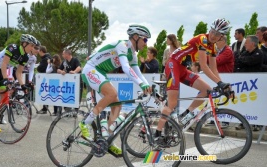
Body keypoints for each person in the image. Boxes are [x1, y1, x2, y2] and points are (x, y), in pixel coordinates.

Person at [155, 18, 231, 144]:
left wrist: (224, 85)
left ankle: (186, 115)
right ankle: (157, 133)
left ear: (221, 37)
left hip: (183, 69)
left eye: (217, 34)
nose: (213, 35)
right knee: (172, 103)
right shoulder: (203, 39)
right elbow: (204, 66)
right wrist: (219, 83)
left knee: (207, 90)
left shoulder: (213, 47)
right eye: (212, 31)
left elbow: (214, 69)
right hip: (173, 64)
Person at [79, 24, 152, 156]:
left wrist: (147, 85)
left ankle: (108, 141)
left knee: (117, 105)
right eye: (145, 40)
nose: (146, 44)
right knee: (112, 93)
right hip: (91, 69)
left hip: (101, 72)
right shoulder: (122, 45)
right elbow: (125, 68)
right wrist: (142, 84)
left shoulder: (133, 55)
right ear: (135, 37)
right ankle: (85, 123)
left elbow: (138, 73)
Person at [36, 45, 52, 114]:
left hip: (46, 78)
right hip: (47, 78)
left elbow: (40, 68)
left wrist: (38, 67)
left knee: (45, 93)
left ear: (41, 51)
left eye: (39, 50)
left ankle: (45, 109)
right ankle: (45, 108)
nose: (38, 52)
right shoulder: (47, 57)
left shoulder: (45, 59)